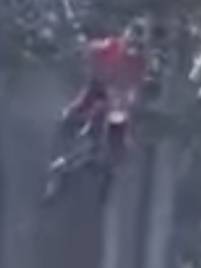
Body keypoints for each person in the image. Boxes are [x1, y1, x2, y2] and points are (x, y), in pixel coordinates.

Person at [56, 21, 148, 163]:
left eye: (137, 43)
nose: (132, 47)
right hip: (101, 84)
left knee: (119, 121)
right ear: (126, 37)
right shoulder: (113, 46)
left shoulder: (140, 61)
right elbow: (93, 50)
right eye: (131, 40)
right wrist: (91, 58)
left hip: (118, 95)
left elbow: (136, 82)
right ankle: (67, 133)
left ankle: (114, 154)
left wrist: (130, 99)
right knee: (82, 105)